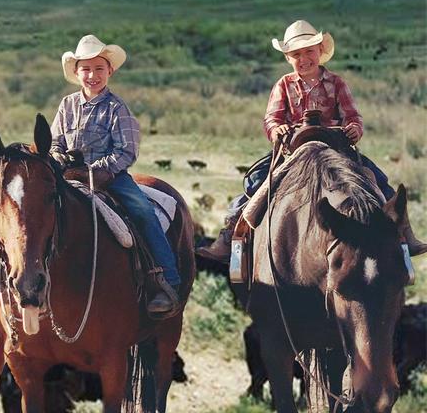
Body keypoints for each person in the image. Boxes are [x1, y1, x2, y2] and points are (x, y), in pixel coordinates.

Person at [198, 20, 426, 262]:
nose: (304, 58)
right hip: (293, 151)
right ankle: (231, 238)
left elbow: (352, 115)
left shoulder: (336, 83)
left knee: (380, 183)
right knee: (253, 184)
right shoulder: (284, 85)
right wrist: (277, 130)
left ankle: (403, 236)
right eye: (296, 54)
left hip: (336, 149)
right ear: (288, 58)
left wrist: (353, 129)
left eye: (309, 51)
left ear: (320, 51)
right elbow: (272, 118)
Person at [48, 34, 181, 319]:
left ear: (110, 71)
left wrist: (96, 171)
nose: (92, 75)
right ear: (76, 72)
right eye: (86, 69)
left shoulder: (116, 108)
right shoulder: (66, 105)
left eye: (99, 69)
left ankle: (165, 280)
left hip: (109, 176)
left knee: (142, 212)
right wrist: (60, 160)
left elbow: (126, 151)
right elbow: (56, 141)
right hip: (68, 174)